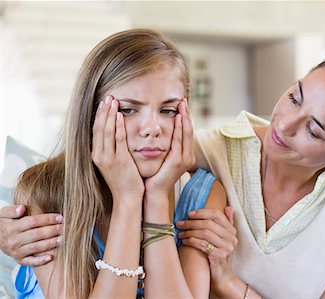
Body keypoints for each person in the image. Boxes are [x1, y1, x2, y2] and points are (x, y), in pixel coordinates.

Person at [1, 49, 325, 298]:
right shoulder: (200, 151)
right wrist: (10, 227)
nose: (283, 125)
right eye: (293, 97)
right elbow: (92, 160)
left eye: (315, 129)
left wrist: (230, 285)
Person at [3, 28, 226, 299]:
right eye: (128, 109)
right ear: (91, 114)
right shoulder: (46, 191)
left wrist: (155, 198)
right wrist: (128, 198)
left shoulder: (201, 196)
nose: (152, 128)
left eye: (167, 110)